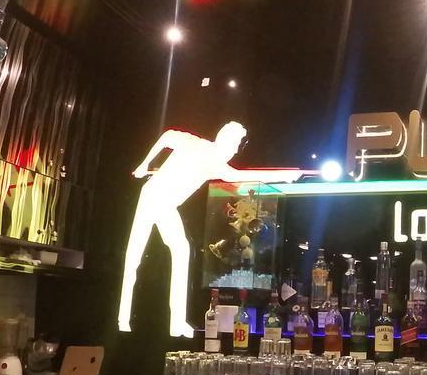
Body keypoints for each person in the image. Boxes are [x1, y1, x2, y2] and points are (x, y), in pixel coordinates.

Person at [118, 121, 305, 336]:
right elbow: (168, 136)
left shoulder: (210, 158)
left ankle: (175, 324)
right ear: (225, 140)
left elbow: (246, 175)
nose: (235, 151)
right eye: (235, 144)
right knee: (134, 257)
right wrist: (144, 164)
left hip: (165, 204)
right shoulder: (201, 150)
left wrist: (285, 175)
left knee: (179, 251)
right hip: (152, 196)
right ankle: (124, 319)